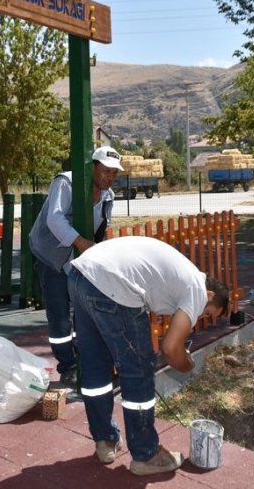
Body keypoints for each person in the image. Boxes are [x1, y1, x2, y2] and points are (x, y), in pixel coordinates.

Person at [67, 235, 229, 476]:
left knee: (95, 366)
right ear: (211, 295)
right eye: (207, 314)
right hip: (112, 285)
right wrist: (187, 365)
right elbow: (171, 349)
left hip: (81, 275)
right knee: (139, 371)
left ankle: (105, 441)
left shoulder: (181, 275)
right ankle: (146, 455)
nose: (199, 318)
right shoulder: (197, 288)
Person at [28, 145, 123, 386]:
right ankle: (67, 365)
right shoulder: (66, 183)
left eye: (114, 173)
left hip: (80, 260)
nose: (110, 177)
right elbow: (54, 218)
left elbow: (101, 231)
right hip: (52, 257)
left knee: (85, 311)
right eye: (106, 171)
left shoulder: (107, 196)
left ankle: (88, 358)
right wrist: (81, 243)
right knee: (60, 315)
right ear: (93, 167)